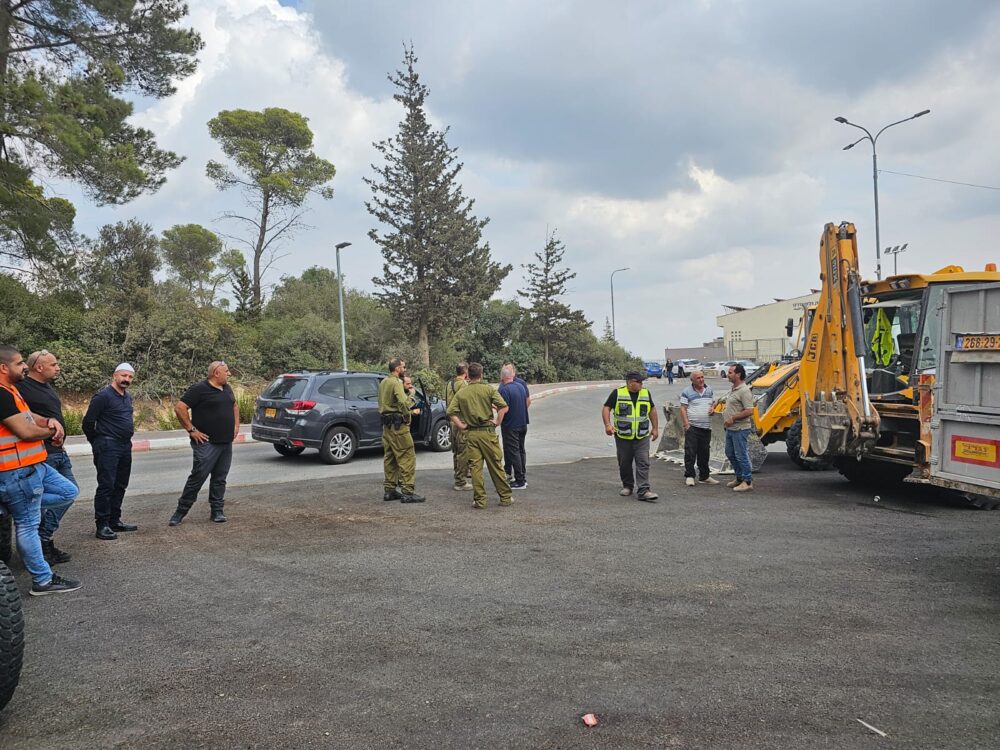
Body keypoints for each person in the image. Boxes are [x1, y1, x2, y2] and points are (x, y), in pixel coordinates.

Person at [0, 345, 81, 595]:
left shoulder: (10, 390)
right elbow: (24, 431)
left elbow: (27, 416)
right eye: (19, 363)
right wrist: (51, 431)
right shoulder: (1, 394)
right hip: (17, 470)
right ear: (4, 368)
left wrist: (48, 421)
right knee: (27, 524)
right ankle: (43, 580)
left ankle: (13, 505)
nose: (23, 366)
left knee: (68, 491)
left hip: (35, 466)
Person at [18, 349, 78, 563]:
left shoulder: (46, 386)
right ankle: (41, 541)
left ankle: (43, 538)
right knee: (53, 498)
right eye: (53, 364)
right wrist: (46, 424)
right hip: (41, 454)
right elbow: (21, 417)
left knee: (70, 493)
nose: (58, 368)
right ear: (39, 367)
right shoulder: (21, 387)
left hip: (58, 452)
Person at [168, 361, 240, 526]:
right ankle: (180, 512)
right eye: (226, 371)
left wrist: (236, 426)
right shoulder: (199, 389)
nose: (229, 374)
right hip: (207, 444)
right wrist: (192, 430)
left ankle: (217, 511)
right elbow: (180, 408)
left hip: (225, 443)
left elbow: (234, 405)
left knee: (220, 478)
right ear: (216, 373)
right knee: (198, 477)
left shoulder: (227, 388)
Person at [83, 362, 139, 539]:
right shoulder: (103, 396)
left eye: (130, 377)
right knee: (106, 485)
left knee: (120, 484)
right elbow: (88, 423)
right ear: (115, 376)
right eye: (123, 376)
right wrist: (98, 443)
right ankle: (102, 525)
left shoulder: (127, 397)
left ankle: (115, 521)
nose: (126, 379)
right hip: (108, 445)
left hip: (124, 445)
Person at [447, 362, 512, 509]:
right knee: (495, 465)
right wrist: (497, 422)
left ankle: (480, 500)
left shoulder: (462, 393)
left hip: (471, 433)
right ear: (481, 375)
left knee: (476, 468)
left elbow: (451, 412)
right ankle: (505, 497)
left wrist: (461, 425)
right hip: (487, 433)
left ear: (468, 375)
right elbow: (503, 407)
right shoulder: (488, 389)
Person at [602, 371, 660, 502]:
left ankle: (644, 490)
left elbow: (652, 410)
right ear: (630, 382)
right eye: (639, 382)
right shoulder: (617, 393)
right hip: (623, 436)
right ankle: (628, 485)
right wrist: (607, 425)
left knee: (643, 462)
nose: (641, 384)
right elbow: (606, 408)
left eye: (642, 382)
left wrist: (655, 428)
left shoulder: (645, 393)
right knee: (624, 463)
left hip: (642, 436)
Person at [377, 358, 424, 503]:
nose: (405, 369)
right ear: (397, 368)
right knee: (407, 457)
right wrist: (412, 395)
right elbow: (404, 404)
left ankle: (389, 490)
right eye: (403, 367)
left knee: (390, 458)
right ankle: (408, 492)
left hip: (387, 427)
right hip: (399, 427)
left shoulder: (384, 382)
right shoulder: (396, 382)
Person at [679, 370, 718, 487]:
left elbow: (713, 403)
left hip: (706, 427)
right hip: (693, 427)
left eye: (702, 377)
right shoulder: (686, 392)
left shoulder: (709, 390)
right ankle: (690, 476)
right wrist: (687, 425)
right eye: (698, 378)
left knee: (704, 452)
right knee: (690, 452)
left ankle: (704, 476)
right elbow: (683, 408)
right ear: (692, 380)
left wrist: (713, 408)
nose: (701, 380)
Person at [722, 363, 755, 492]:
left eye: (730, 372)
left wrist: (733, 418)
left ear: (738, 374)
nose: (728, 374)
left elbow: (749, 410)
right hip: (731, 429)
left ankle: (747, 481)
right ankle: (739, 477)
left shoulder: (744, 391)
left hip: (740, 429)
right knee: (730, 453)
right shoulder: (733, 389)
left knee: (741, 455)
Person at [498, 364, 530, 489]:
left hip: (511, 425)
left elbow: (503, 408)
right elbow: (526, 402)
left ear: (502, 377)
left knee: (514, 452)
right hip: (523, 423)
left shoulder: (504, 389)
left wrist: (497, 422)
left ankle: (520, 481)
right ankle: (523, 477)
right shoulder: (521, 386)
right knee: (521, 450)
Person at [445, 363, 471, 491]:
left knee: (456, 452)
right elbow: (467, 402)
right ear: (465, 371)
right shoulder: (464, 385)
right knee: (463, 452)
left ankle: (458, 475)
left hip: (452, 421)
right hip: (461, 421)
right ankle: (460, 481)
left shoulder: (450, 384)